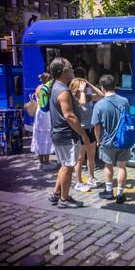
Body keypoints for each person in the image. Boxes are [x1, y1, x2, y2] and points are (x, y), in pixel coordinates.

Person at [47, 57, 90, 208]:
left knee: (64, 165)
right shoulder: (63, 90)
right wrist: (83, 134)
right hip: (67, 135)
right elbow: (69, 116)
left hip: (60, 134)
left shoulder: (56, 87)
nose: (73, 70)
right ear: (65, 71)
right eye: (71, 68)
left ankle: (56, 194)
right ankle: (64, 200)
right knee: (67, 167)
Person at [92, 74, 130, 204]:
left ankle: (109, 191)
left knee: (108, 166)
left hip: (107, 141)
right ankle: (120, 194)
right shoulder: (124, 101)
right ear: (115, 85)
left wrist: (98, 140)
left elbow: (96, 126)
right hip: (123, 139)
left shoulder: (99, 105)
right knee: (122, 167)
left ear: (102, 88)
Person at [69, 78, 104, 192]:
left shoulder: (87, 96)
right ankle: (79, 182)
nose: (83, 88)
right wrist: (82, 91)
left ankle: (91, 177)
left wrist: (90, 85)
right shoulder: (73, 99)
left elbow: (102, 95)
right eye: (81, 86)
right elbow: (82, 102)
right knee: (79, 159)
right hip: (80, 130)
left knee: (91, 156)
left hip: (90, 129)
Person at [31, 73, 57, 171]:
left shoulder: (38, 88)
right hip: (46, 114)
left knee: (39, 137)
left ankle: (41, 163)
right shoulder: (48, 89)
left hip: (39, 113)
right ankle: (46, 163)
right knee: (46, 137)